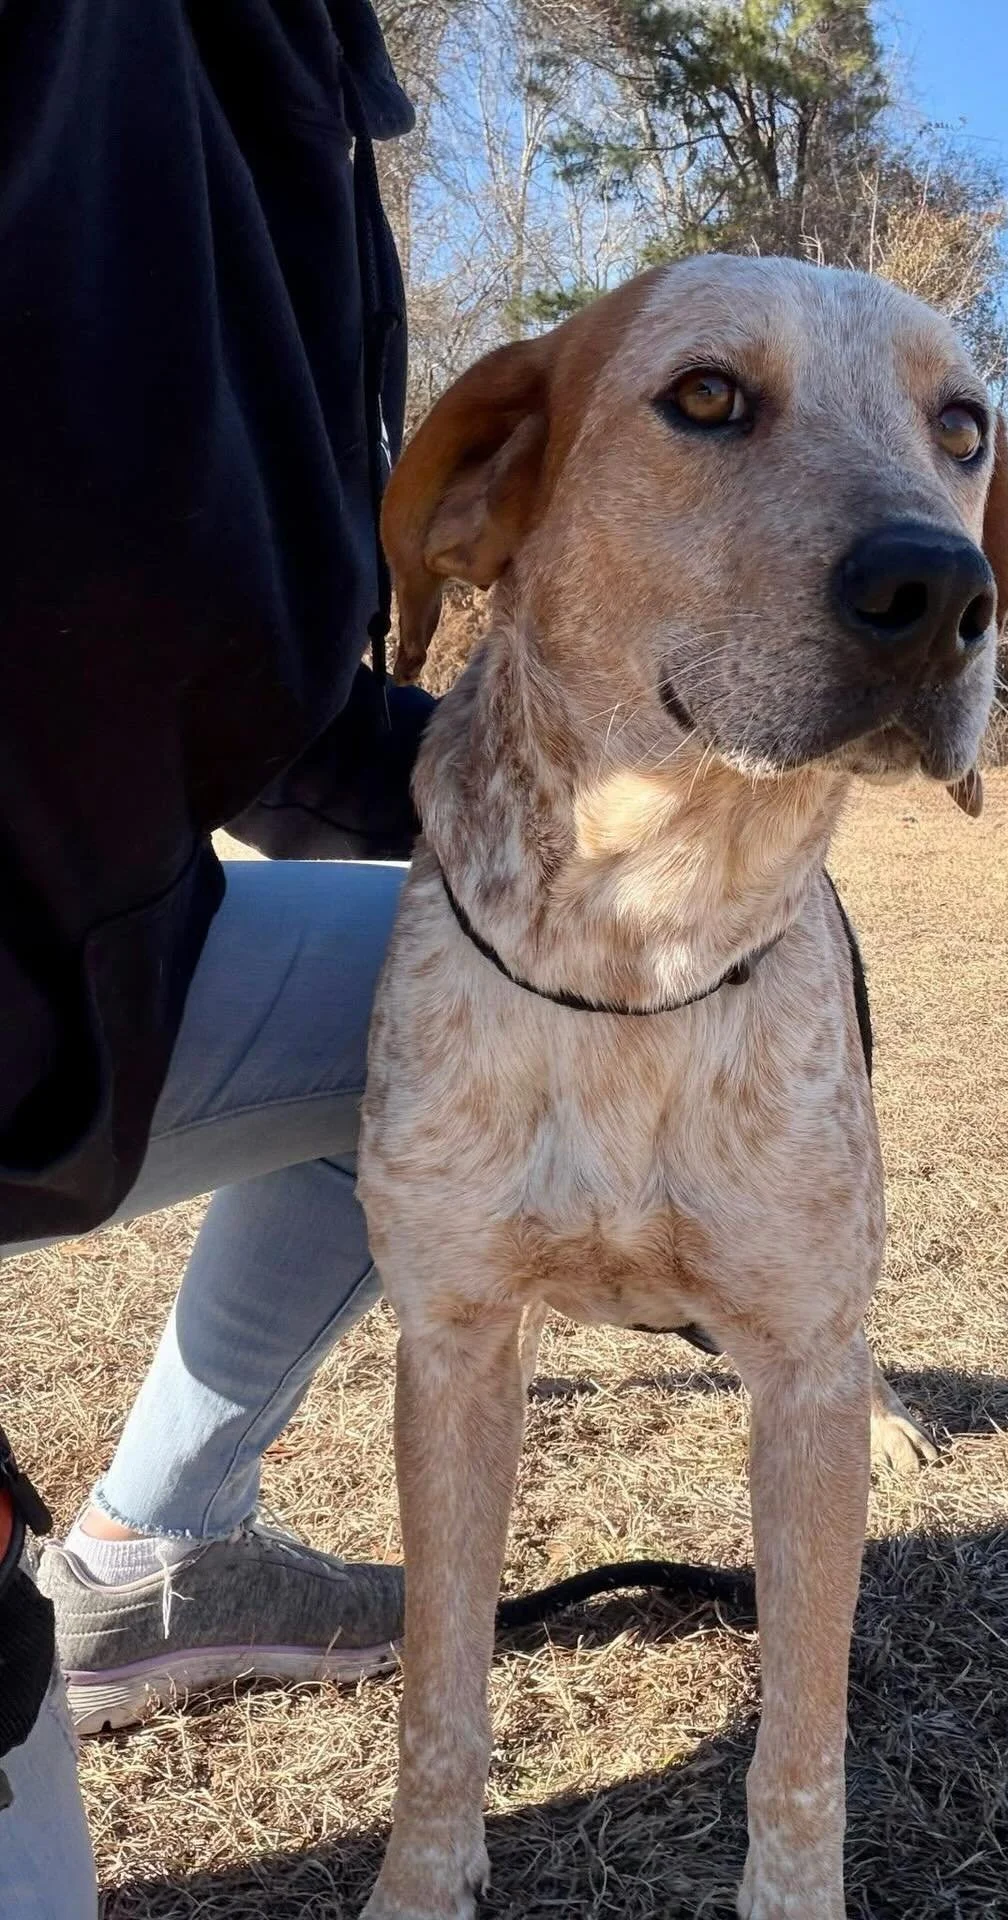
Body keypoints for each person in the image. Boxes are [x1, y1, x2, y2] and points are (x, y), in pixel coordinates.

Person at [0, 3, 430, 1911]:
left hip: (77, 962)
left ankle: (157, 1549)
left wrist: (571, 805)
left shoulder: (285, 60)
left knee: (456, 989)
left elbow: (251, 675)